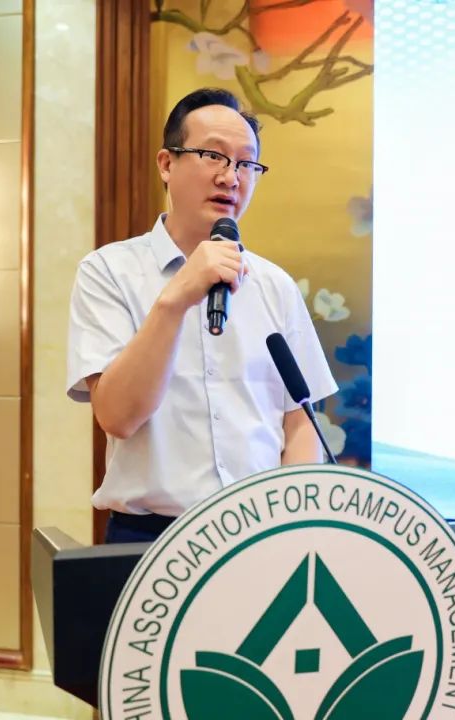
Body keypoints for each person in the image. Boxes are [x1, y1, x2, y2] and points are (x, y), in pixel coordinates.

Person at [66, 88, 337, 543]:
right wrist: (176, 298)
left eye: (246, 164)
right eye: (214, 156)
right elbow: (117, 416)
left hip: (263, 536)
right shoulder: (109, 272)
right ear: (166, 164)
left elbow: (300, 422)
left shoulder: (274, 285)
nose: (231, 177)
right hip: (151, 539)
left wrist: (293, 526)